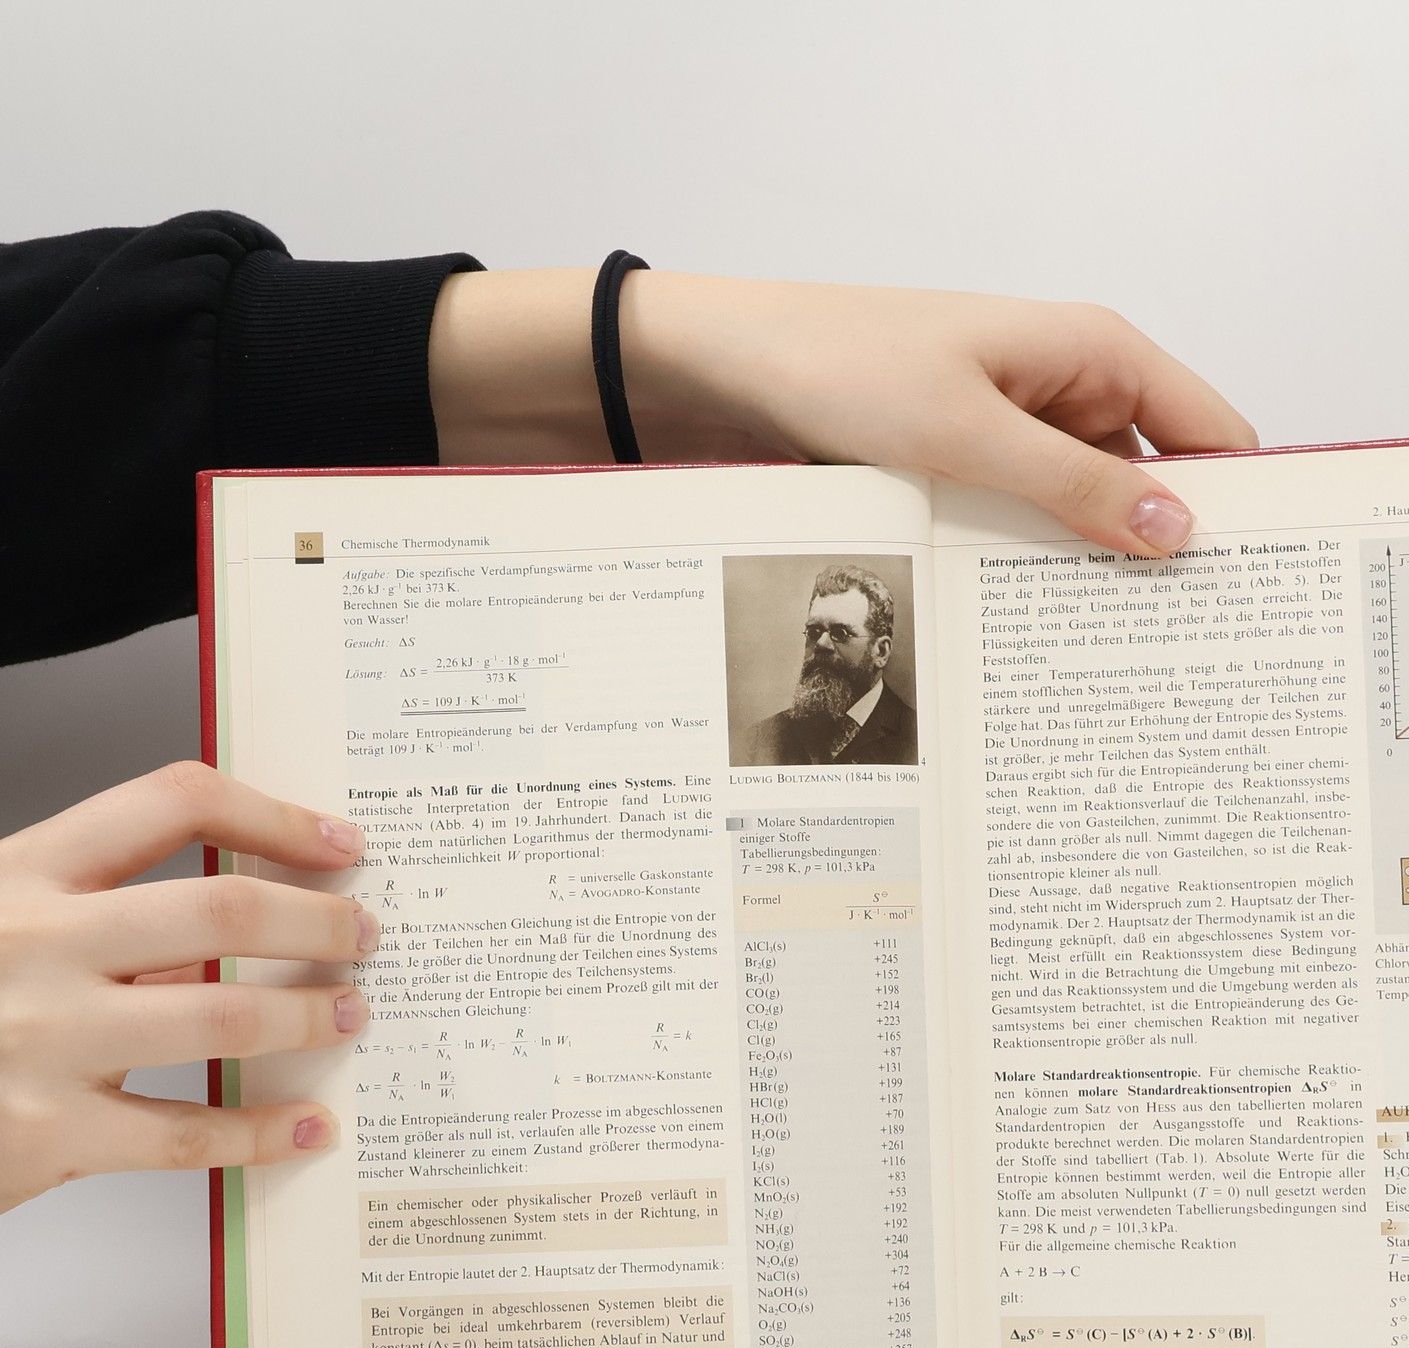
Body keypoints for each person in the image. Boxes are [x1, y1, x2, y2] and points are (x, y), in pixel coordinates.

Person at [0, 210, 1256, 1214]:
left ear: (881, 646)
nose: (816, 648)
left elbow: (61, 409)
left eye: (837, 634)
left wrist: (681, 348)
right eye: (810, 630)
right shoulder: (774, 736)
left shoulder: (903, 726)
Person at [736, 563, 917, 768]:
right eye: (814, 632)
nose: (821, 644)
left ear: (881, 651)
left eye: (840, 633)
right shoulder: (761, 742)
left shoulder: (916, 737)